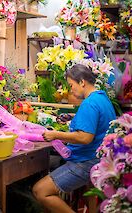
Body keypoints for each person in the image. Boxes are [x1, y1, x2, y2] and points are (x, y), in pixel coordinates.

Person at [32, 64, 116, 213]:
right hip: (100, 159)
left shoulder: (89, 104)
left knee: (40, 191)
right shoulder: (102, 98)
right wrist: (73, 117)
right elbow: (96, 122)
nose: (71, 90)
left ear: (82, 82)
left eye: (71, 85)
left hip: (86, 161)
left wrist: (55, 134)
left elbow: (85, 137)